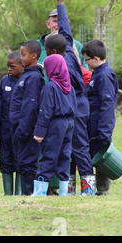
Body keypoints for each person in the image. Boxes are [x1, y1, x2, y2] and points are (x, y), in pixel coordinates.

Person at [45, 0, 96, 195]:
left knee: (80, 148)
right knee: (69, 149)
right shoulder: (66, 46)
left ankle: (89, 189)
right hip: (72, 104)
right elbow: (65, 28)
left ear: (52, 51)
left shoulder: (63, 61)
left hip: (75, 105)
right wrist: (60, 3)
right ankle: (70, 189)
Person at [32, 54, 77, 196]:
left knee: (48, 156)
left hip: (55, 124)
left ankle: (40, 191)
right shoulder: (69, 87)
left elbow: (45, 111)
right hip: (69, 123)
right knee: (65, 156)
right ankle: (64, 192)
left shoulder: (50, 87)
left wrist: (39, 132)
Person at [82, 40, 118, 196]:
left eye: (87, 60)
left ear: (96, 59)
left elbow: (107, 104)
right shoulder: (98, 73)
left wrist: (104, 131)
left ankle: (101, 190)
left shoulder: (104, 75)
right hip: (92, 124)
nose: (86, 63)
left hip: (100, 125)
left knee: (99, 159)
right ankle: (92, 190)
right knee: (91, 157)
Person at [9, 40, 45, 195]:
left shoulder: (35, 78)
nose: (21, 58)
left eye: (23, 55)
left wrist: (23, 129)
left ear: (34, 56)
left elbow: (30, 106)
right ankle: (26, 193)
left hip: (26, 130)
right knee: (23, 163)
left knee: (28, 163)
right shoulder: (26, 76)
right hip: (18, 128)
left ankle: (29, 193)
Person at [0, 51, 24, 195]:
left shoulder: (28, 80)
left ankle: (19, 193)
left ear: (22, 65)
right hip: (6, 131)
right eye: (8, 66)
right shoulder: (4, 81)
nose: (9, 69)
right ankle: (8, 194)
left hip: (21, 132)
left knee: (20, 162)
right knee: (5, 161)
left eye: (12, 66)